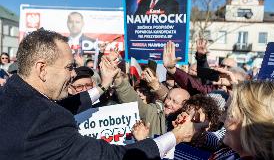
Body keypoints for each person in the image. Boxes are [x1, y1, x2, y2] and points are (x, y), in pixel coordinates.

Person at [0, 29, 199, 160]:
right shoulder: (45, 121)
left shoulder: (11, 93)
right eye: (69, 67)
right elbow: (112, 157)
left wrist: (103, 85)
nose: (73, 74)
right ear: (42, 69)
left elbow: (65, 106)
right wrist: (175, 136)